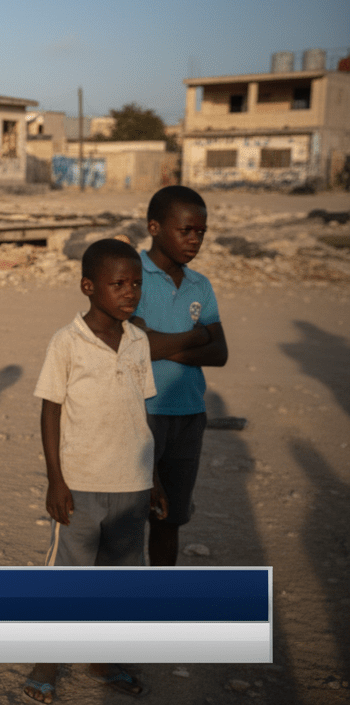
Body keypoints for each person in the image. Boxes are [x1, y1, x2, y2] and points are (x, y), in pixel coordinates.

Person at [22, 239, 162, 704]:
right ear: (88, 286)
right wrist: (55, 480)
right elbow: (50, 411)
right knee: (69, 577)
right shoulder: (67, 342)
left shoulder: (139, 340)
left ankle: (102, 657)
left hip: (132, 484)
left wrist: (154, 478)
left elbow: (141, 412)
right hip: (80, 486)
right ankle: (47, 662)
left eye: (136, 283)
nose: (130, 293)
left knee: (118, 581)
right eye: (118, 283)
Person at [131, 186, 227, 567]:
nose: (194, 240)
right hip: (143, 412)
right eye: (185, 230)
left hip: (189, 415)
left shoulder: (199, 285)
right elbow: (137, 349)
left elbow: (220, 353)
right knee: (128, 518)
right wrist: (195, 335)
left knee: (169, 520)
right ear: (154, 227)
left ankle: (159, 604)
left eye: (201, 232)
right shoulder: (131, 276)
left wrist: (159, 342)